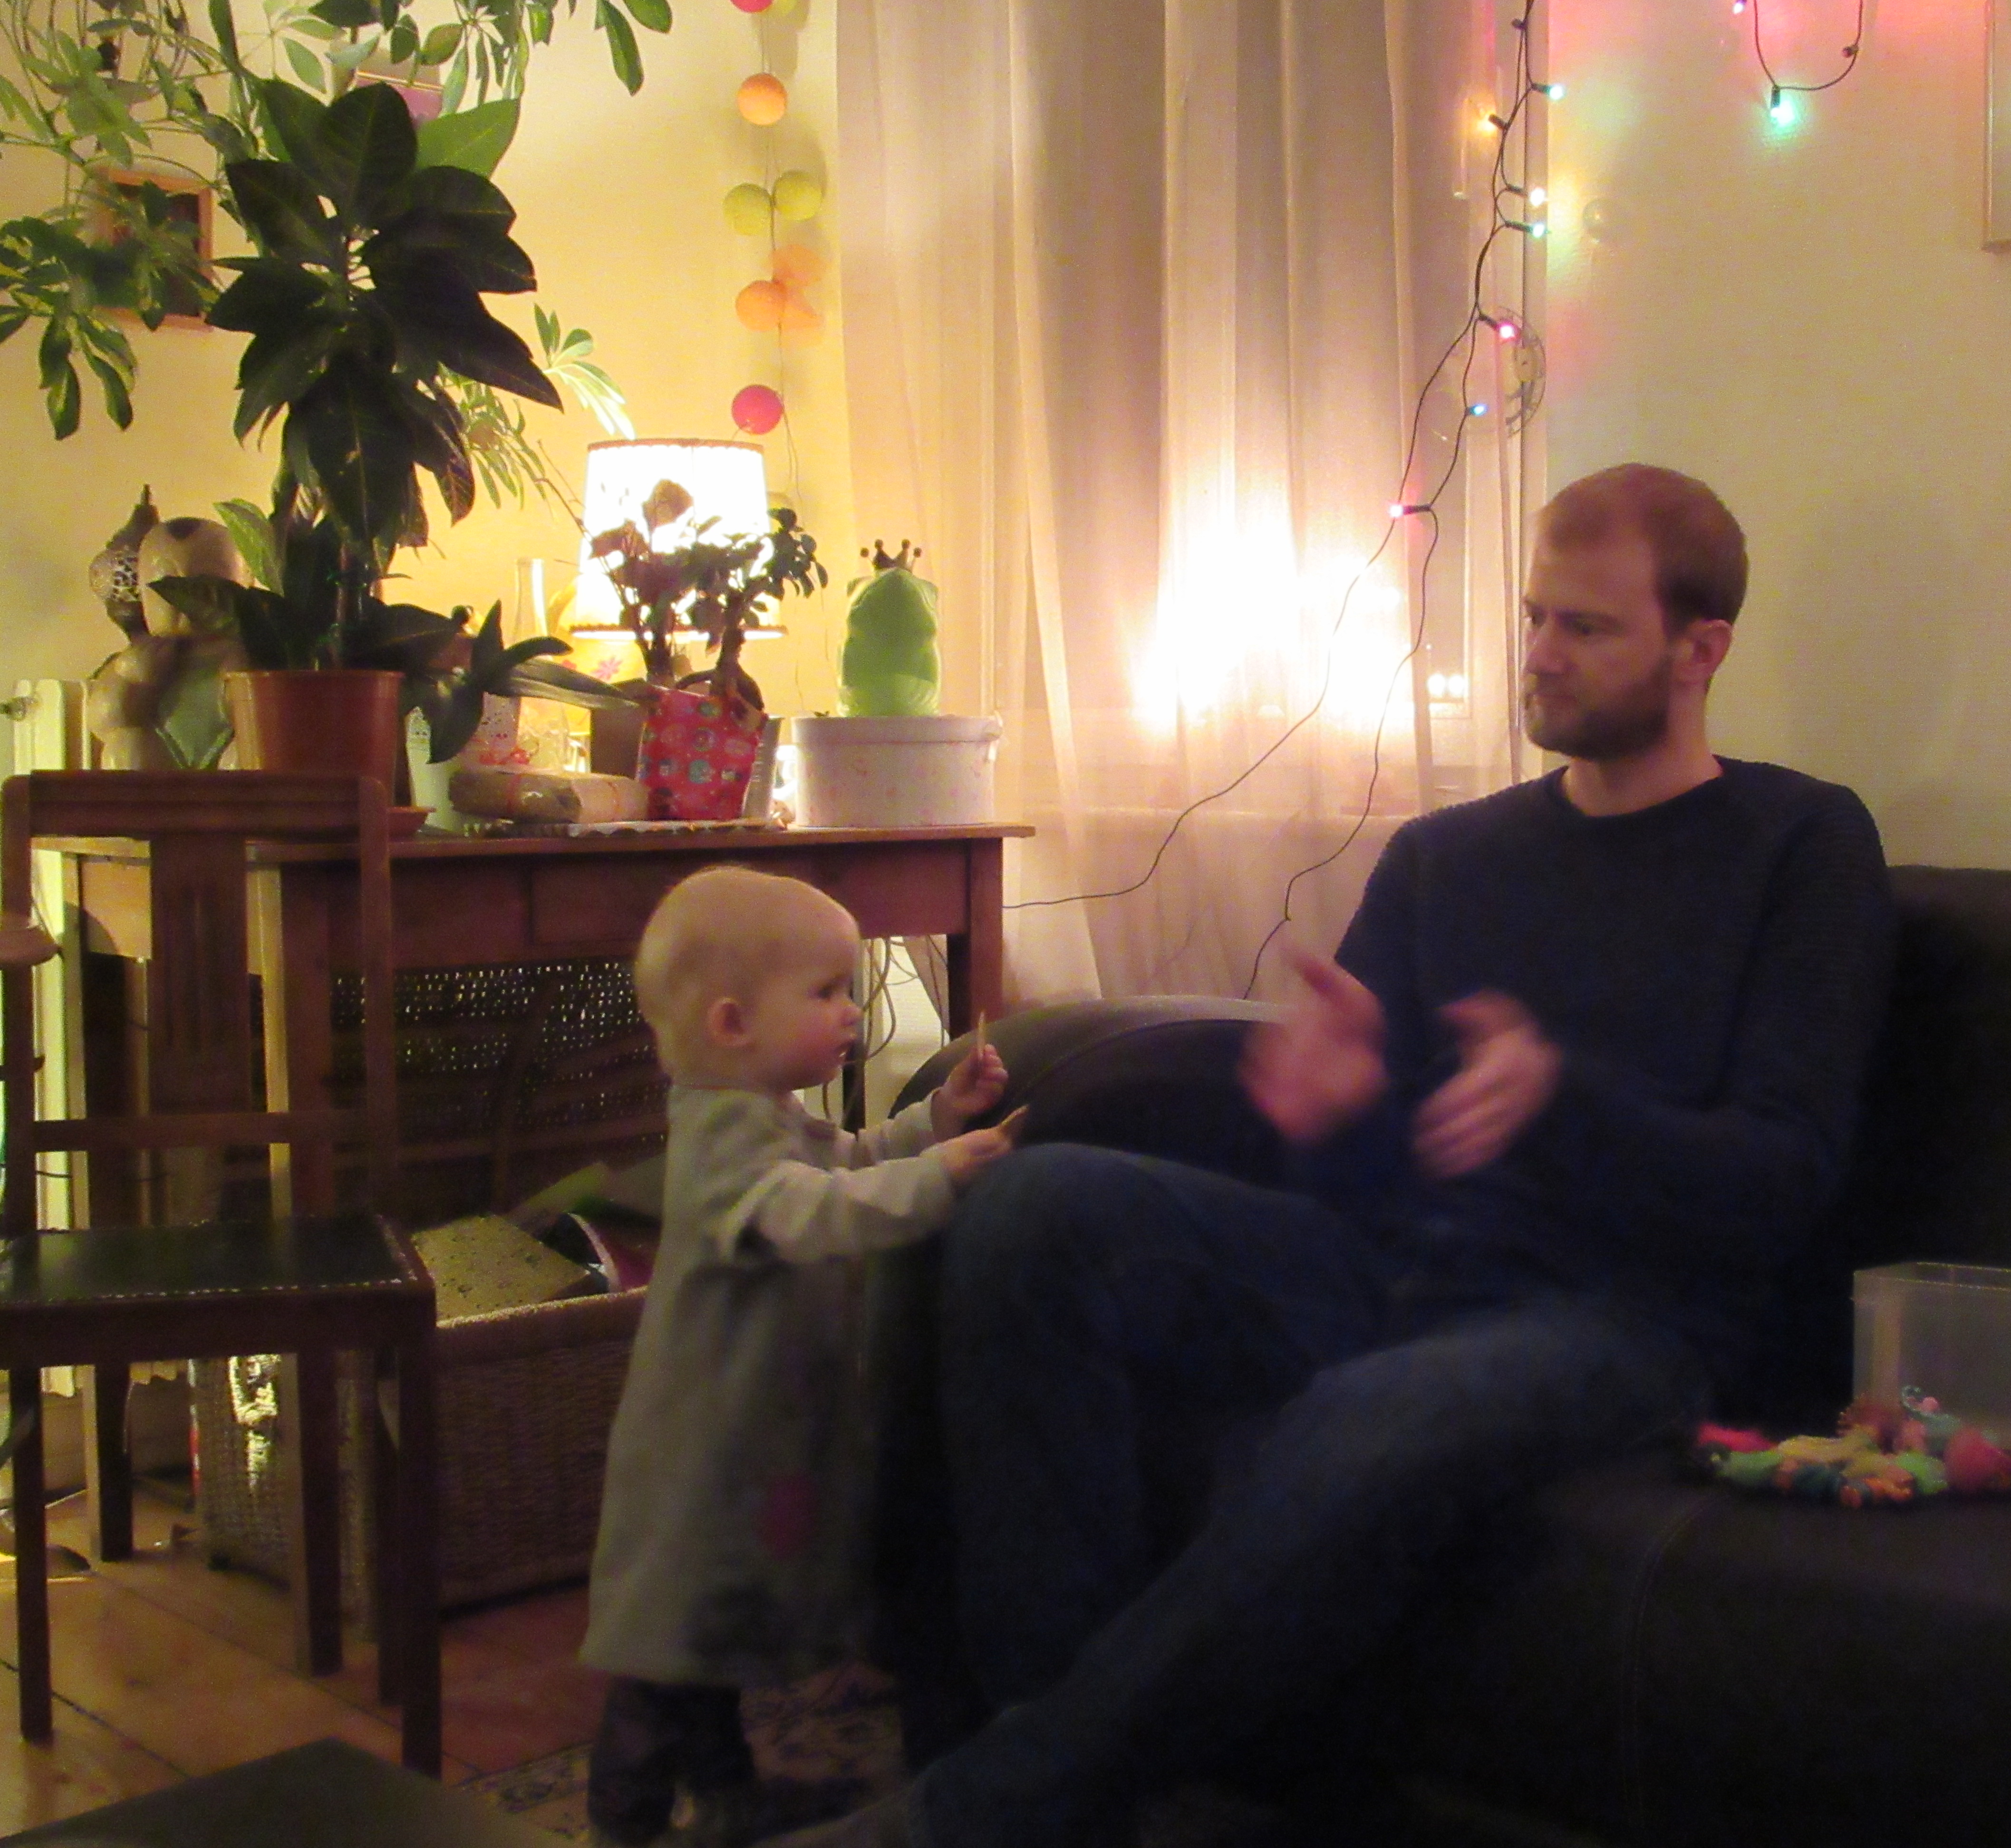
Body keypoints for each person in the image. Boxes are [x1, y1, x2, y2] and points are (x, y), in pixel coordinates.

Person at [793, 463, 1897, 1848]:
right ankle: (1054, 1776)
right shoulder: (1449, 858)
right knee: (1032, 1208)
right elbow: (1358, 1177)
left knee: (1377, 1411)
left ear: (1701, 649)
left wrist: (1560, 1100)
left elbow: (1782, 1180)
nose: (1543, 653)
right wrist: (1335, 1111)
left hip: (1629, 1314)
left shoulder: (1801, 844)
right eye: (1536, 616)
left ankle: (988, 1813)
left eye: (1588, 628)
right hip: (1392, 1266)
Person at [584, 866, 1023, 1848]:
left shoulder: (765, 1114)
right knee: (669, 1651)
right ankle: (622, 1818)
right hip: (700, 1458)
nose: (851, 1012)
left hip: (746, 1443)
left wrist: (935, 1121)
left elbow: (847, 1163)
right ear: (734, 1023)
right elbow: (810, 1212)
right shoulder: (719, 1138)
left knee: (709, 1642)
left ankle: (728, 1798)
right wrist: (939, 1179)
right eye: (826, 993)